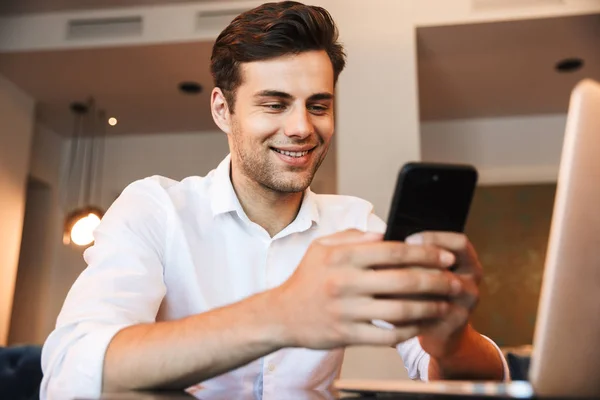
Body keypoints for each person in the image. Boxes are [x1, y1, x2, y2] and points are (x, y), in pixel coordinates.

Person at [41, 2, 508, 399]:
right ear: (223, 110)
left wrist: (453, 341)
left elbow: (474, 380)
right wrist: (281, 313)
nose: (302, 127)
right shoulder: (156, 209)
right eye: (274, 103)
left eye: (318, 105)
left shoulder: (356, 224)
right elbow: (70, 370)